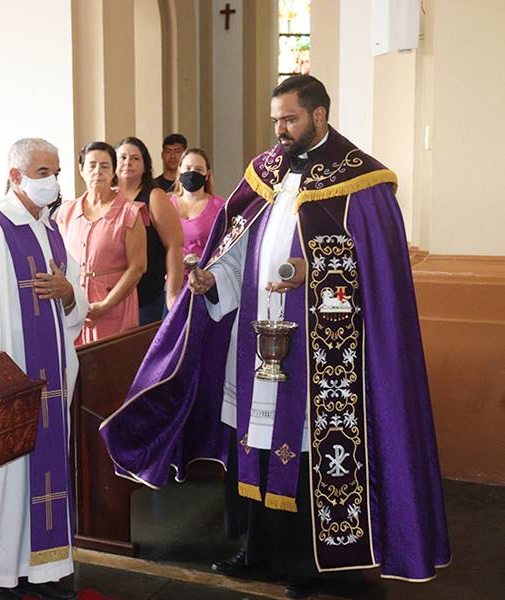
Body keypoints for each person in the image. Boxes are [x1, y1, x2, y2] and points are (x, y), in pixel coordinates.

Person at [100, 75, 450, 598]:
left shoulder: (362, 183)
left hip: (323, 354)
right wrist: (212, 277)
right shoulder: (264, 173)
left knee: (311, 450)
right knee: (254, 440)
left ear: (319, 116)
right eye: (275, 120)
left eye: (289, 119)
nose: (280, 130)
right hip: (255, 340)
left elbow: (375, 272)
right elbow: (238, 244)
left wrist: (318, 269)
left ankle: (315, 560)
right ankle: (254, 547)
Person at [0, 138, 87, 600]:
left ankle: (42, 568)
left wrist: (69, 293)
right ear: (15, 176)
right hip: (13, 380)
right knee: (8, 477)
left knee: (44, 476)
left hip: (48, 378)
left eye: (55, 170)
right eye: (42, 170)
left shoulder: (51, 230)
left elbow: (74, 304)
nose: (52, 179)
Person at [56, 142, 145, 344]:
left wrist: (105, 305)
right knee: (75, 366)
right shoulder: (66, 211)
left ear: (114, 171)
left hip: (115, 304)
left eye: (105, 166)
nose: (98, 171)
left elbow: (138, 267)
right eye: (92, 165)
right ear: (81, 169)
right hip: (74, 304)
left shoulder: (130, 211)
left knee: (111, 366)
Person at [115, 137, 184, 324]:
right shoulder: (108, 196)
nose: (127, 163)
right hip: (111, 296)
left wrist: (173, 293)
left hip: (146, 297)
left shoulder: (155, 196)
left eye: (135, 158)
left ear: (145, 165)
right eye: (122, 157)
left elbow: (175, 246)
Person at [169, 148, 225, 262]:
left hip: (205, 274)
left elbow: (225, 247)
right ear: (179, 171)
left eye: (198, 170)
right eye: (188, 168)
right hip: (169, 275)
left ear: (207, 175)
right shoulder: (165, 203)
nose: (192, 173)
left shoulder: (220, 207)